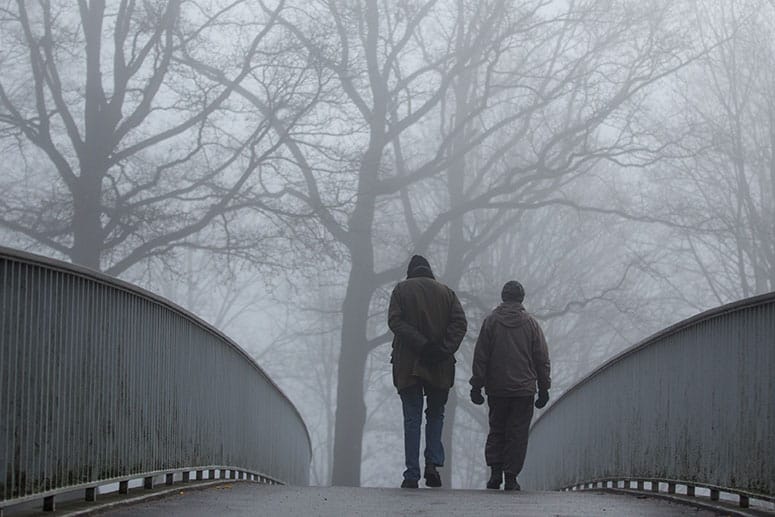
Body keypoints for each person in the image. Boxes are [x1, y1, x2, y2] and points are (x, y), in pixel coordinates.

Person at [388, 254, 468, 489]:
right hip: (440, 364)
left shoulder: (401, 291)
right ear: (430, 271)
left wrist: (421, 344)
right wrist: (442, 349)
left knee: (412, 418)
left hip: (409, 364)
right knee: (436, 414)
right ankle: (432, 464)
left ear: (410, 271)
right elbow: (460, 324)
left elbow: (395, 321)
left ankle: (411, 474)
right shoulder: (447, 293)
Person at [469, 280, 551, 491]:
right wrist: (544, 387)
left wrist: (476, 385)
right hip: (523, 389)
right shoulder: (531, 324)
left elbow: (481, 356)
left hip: (497, 388)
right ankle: (511, 477)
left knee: (497, 429)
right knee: (517, 433)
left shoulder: (491, 322)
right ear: (521, 298)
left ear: (503, 297)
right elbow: (541, 358)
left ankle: (495, 473)